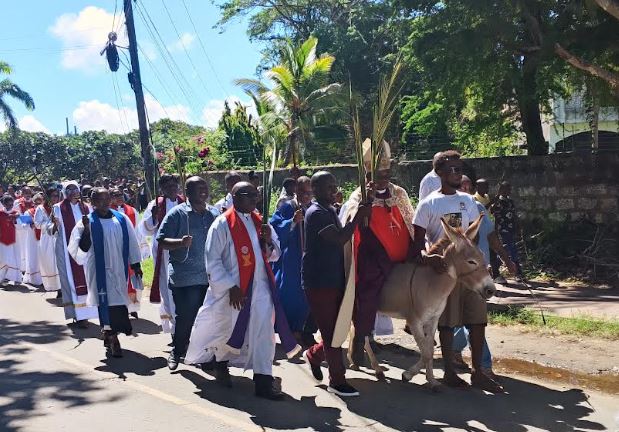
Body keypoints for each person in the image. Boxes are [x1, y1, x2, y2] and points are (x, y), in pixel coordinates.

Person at [185, 182, 300, 400]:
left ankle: (263, 381)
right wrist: (230, 287)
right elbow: (213, 260)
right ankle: (220, 364)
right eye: (250, 195)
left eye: (256, 195)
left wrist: (268, 240)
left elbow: (272, 255)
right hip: (233, 290)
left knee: (264, 332)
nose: (255, 200)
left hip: (261, 288)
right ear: (236, 197)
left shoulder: (260, 222)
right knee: (227, 330)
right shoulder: (222, 224)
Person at [411, 150, 502, 392]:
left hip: (470, 273)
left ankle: (478, 372)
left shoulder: (468, 201)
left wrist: (476, 260)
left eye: (459, 169)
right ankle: (449, 372)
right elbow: (417, 242)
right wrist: (428, 257)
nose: (457, 173)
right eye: (452, 169)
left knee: (478, 320)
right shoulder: (428, 203)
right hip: (445, 274)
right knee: (447, 324)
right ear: (439, 172)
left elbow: (473, 236)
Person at [339, 139, 415, 366]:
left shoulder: (399, 193)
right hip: (372, 256)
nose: (384, 178)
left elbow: (410, 222)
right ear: (368, 174)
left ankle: (413, 323)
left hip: (401, 255)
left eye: (387, 173)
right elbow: (351, 223)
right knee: (368, 294)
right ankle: (360, 337)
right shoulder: (359, 195)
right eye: (379, 175)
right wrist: (367, 202)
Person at [302, 171, 372, 397]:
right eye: (329, 187)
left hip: (335, 277)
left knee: (338, 327)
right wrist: (358, 216)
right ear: (315, 189)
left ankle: (314, 354)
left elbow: (344, 234)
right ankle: (337, 380)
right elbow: (340, 238)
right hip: (319, 281)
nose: (334, 191)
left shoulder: (329, 209)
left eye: (335, 186)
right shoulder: (316, 213)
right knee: (332, 332)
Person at [452, 176, 516, 379]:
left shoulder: (478, 207)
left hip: (479, 275)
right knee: (464, 319)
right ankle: (475, 362)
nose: (464, 189)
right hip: (459, 275)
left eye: (467, 186)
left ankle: (477, 362)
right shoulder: (449, 209)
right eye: (461, 186)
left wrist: (507, 260)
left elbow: (491, 236)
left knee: (474, 320)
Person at [68, 188, 143, 357]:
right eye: (99, 200)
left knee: (118, 303)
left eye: (107, 199)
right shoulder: (86, 222)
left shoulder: (121, 219)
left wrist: (136, 264)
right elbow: (81, 250)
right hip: (98, 270)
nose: (104, 203)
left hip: (119, 269)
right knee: (105, 302)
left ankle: (110, 333)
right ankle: (112, 336)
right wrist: (87, 230)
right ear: (92, 202)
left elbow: (132, 242)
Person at [157, 176, 219, 370]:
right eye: (198, 189)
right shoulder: (177, 213)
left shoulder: (214, 213)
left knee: (207, 319)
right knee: (186, 317)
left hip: (209, 276)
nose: (203, 191)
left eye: (205, 187)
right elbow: (161, 240)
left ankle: (204, 356)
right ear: (188, 192)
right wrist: (180, 243)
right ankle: (177, 351)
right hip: (185, 277)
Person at [138, 174, 184, 333]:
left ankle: (184, 324)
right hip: (164, 253)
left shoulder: (185, 202)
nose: (172, 189)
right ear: (162, 189)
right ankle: (173, 326)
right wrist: (153, 216)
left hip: (184, 250)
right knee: (168, 286)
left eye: (174, 185)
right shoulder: (155, 204)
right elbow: (145, 230)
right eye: (167, 186)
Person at [270, 176, 313, 343]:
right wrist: (292, 221)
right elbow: (274, 227)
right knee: (290, 293)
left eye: (309, 192)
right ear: (296, 190)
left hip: (309, 258)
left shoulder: (314, 208)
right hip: (291, 258)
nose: (306, 195)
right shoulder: (288, 206)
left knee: (306, 296)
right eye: (303, 191)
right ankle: (287, 329)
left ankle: (302, 329)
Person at [52, 181, 97, 327]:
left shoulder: (86, 207)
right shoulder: (58, 208)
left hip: (85, 248)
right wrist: (54, 224)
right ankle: (77, 315)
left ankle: (87, 313)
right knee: (71, 280)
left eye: (75, 189)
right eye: (69, 189)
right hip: (67, 251)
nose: (73, 192)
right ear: (65, 192)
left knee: (87, 278)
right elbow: (50, 229)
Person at [111, 187, 150, 318]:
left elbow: (138, 231)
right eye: (115, 195)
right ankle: (122, 307)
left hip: (131, 251)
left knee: (134, 277)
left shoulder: (132, 211)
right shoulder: (107, 212)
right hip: (116, 252)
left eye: (120, 194)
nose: (119, 197)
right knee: (120, 279)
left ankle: (133, 307)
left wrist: (143, 248)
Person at [490, 181, 524, 281]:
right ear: (500, 190)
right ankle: (517, 272)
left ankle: (496, 266)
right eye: (505, 189)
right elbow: (494, 214)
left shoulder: (510, 201)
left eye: (509, 189)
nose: (508, 191)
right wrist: (496, 230)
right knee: (509, 249)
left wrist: (518, 225)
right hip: (502, 229)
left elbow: (514, 214)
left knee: (509, 249)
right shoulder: (498, 202)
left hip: (511, 228)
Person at [34, 187, 62, 293]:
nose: (55, 198)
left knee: (60, 263)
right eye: (53, 196)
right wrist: (50, 222)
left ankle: (62, 288)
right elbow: (37, 224)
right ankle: (55, 286)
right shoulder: (41, 208)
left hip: (59, 237)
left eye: (57, 196)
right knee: (50, 263)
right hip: (47, 239)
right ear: (47, 197)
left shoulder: (60, 207)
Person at [21, 193, 44, 286]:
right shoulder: (28, 212)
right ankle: (34, 279)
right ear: (33, 203)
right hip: (32, 239)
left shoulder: (44, 211)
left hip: (43, 238)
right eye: (36, 203)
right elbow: (23, 226)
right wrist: (30, 225)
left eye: (40, 203)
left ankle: (44, 278)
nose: (38, 205)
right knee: (33, 257)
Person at [0, 194, 22, 285]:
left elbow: (21, 227)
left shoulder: (16, 213)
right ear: (3, 204)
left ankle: (14, 278)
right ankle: (3, 277)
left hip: (14, 239)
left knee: (14, 258)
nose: (10, 206)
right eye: (8, 204)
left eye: (11, 204)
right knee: (3, 258)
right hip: (2, 239)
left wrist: (15, 220)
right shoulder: (0, 213)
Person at [14, 186, 35, 272]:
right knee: (22, 248)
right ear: (22, 193)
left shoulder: (34, 201)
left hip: (31, 229)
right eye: (26, 193)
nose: (28, 195)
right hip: (21, 229)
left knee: (30, 248)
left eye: (29, 193)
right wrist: (24, 223)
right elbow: (16, 215)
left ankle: (30, 267)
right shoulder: (17, 202)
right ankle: (22, 268)